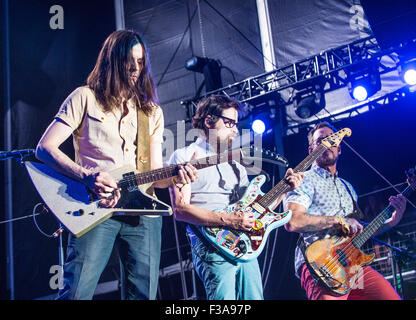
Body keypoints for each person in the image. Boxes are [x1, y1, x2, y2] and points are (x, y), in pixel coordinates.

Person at [35, 30, 197, 300]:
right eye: (129, 60)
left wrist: (175, 177)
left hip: (142, 213)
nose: (135, 67)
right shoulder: (84, 97)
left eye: (141, 61)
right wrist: (87, 176)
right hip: (94, 207)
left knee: (142, 296)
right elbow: (45, 147)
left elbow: (154, 174)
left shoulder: (151, 112)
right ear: (112, 59)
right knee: (76, 294)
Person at [168, 95, 304, 300]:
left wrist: (285, 189)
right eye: (229, 122)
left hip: (244, 244)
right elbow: (180, 209)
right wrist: (230, 220)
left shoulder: (237, 166)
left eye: (236, 123)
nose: (235, 129)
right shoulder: (184, 157)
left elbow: (256, 210)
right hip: (211, 244)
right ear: (208, 120)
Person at [284, 121, 407, 300]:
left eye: (332, 140)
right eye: (320, 141)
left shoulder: (347, 188)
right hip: (321, 265)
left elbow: (358, 231)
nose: (327, 144)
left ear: (339, 149)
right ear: (311, 150)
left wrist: (392, 221)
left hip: (352, 266)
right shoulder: (303, 180)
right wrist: (339, 220)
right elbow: (293, 221)